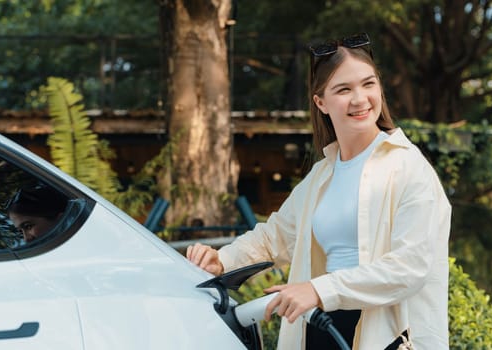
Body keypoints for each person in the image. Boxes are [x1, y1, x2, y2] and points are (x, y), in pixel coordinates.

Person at [187, 32, 451, 350]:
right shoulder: (323, 174)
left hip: (383, 333)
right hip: (322, 323)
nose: (360, 99)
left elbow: (410, 266)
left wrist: (318, 290)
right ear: (321, 102)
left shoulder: (408, 167)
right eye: (344, 89)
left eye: (369, 84)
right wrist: (222, 260)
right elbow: (274, 237)